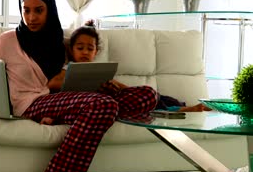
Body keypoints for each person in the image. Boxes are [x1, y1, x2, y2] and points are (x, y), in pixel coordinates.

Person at [0, 0, 157, 172]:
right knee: (103, 106)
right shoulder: (7, 40)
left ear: (51, 10)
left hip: (63, 101)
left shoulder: (60, 43)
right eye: (26, 10)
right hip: (30, 104)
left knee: (147, 95)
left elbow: (71, 77)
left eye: (38, 10)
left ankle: (89, 114)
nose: (31, 17)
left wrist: (103, 86)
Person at [47, 20, 210, 114]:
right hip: (93, 104)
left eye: (90, 49)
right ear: (71, 49)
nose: (85, 52)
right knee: (150, 99)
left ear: (96, 51)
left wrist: (123, 88)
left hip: (114, 98)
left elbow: (119, 87)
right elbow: (52, 84)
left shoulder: (98, 69)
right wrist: (76, 83)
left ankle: (180, 107)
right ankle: (178, 110)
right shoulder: (69, 68)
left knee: (153, 95)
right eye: (80, 48)